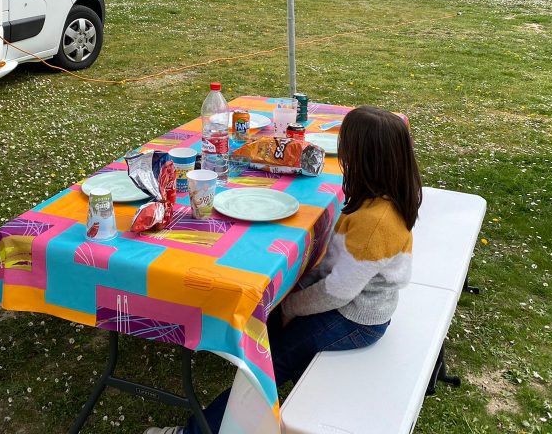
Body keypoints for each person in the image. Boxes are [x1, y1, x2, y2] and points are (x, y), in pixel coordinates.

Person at [145, 106, 422, 434]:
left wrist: (291, 305)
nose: (342, 156)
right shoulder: (378, 201)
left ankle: (196, 431)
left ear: (364, 158)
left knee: (270, 364)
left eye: (346, 149)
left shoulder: (376, 222)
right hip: (348, 304)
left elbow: (339, 291)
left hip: (357, 319)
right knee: (267, 331)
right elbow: (338, 273)